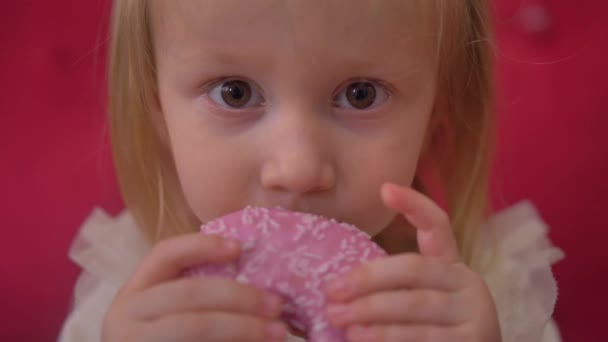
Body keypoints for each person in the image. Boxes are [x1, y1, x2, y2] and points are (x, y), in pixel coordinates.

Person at [59, 1, 564, 341]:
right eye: (234, 92)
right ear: (158, 113)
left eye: (360, 94)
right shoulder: (131, 303)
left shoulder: (478, 300)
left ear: (432, 121)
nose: (298, 168)